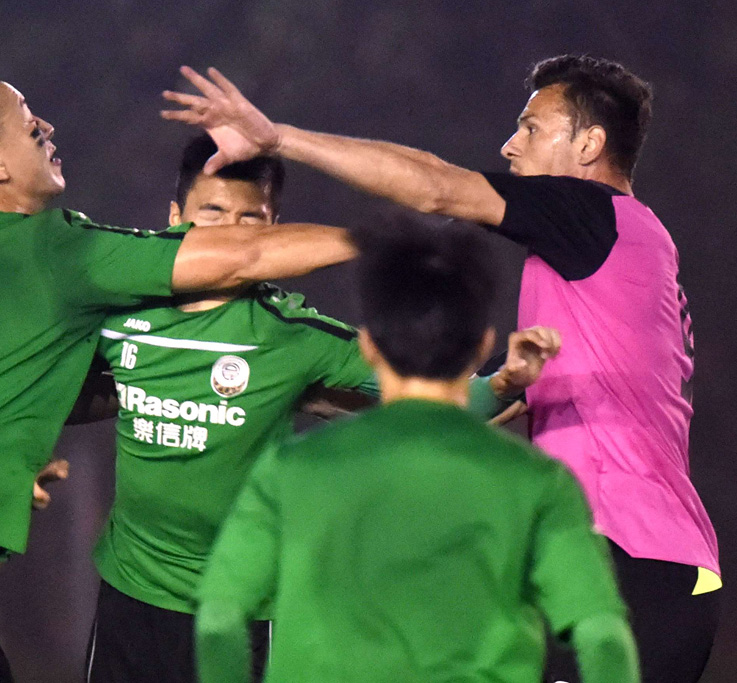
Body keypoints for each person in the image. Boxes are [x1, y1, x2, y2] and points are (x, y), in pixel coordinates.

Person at [0, 76, 363, 682]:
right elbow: (244, 256)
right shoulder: (54, 250)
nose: (46, 130)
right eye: (30, 126)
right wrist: (387, 235)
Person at [163, 56, 720, 681]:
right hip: (656, 565)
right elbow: (478, 402)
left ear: (589, 144)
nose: (510, 145)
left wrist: (278, 138)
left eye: (532, 128)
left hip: (630, 563)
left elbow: (435, 188)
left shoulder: (594, 215)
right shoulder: (612, 255)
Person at [75, 134, 560, 683]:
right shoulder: (121, 312)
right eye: (212, 213)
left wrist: (503, 383)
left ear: (278, 228)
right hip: (130, 594)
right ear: (174, 217)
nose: (233, 233)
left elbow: (428, 400)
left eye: (251, 219)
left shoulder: (294, 335)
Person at [194, 216, 638, 683]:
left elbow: (219, 622)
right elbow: (603, 637)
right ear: (483, 345)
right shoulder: (539, 481)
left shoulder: (291, 469)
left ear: (369, 345)